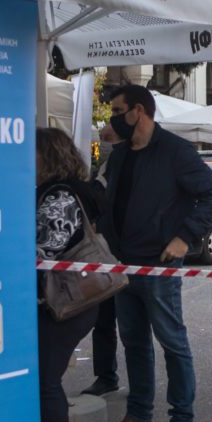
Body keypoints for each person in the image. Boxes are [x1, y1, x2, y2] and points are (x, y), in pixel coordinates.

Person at [99, 85, 212, 422]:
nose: (112, 119)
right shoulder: (121, 154)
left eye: (118, 111)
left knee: (172, 341)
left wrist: (185, 238)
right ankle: (139, 414)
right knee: (134, 342)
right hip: (124, 264)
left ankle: (182, 421)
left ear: (138, 111)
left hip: (159, 265)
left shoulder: (176, 151)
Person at [35, 128, 106, 422]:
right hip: (70, 302)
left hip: (65, 304)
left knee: (44, 381)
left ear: (46, 157)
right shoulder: (66, 191)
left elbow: (41, 252)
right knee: (48, 380)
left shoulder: (58, 197)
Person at [79, 119, 125, 398]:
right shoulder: (108, 165)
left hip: (126, 251)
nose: (101, 141)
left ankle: (113, 377)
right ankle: (106, 375)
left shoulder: (126, 161)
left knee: (132, 324)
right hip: (106, 251)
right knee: (104, 319)